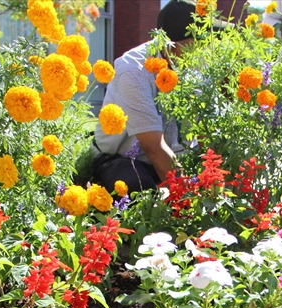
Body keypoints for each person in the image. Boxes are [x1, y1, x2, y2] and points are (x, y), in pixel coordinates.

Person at [91, 0, 221, 193]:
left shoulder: (193, 68)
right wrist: (189, 201)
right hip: (123, 159)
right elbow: (154, 147)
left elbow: (205, 134)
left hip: (174, 156)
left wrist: (214, 183)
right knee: (138, 189)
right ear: (172, 47)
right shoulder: (133, 70)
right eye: (199, 44)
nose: (205, 49)